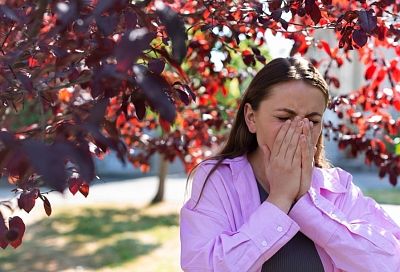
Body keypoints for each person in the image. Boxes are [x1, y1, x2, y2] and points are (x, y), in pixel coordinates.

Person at [179, 57, 400, 272]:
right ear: (251, 118)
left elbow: (390, 263)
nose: (301, 131)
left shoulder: (338, 187)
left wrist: (307, 207)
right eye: (284, 118)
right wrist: (279, 200)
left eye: (313, 121)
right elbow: (202, 265)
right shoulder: (218, 179)